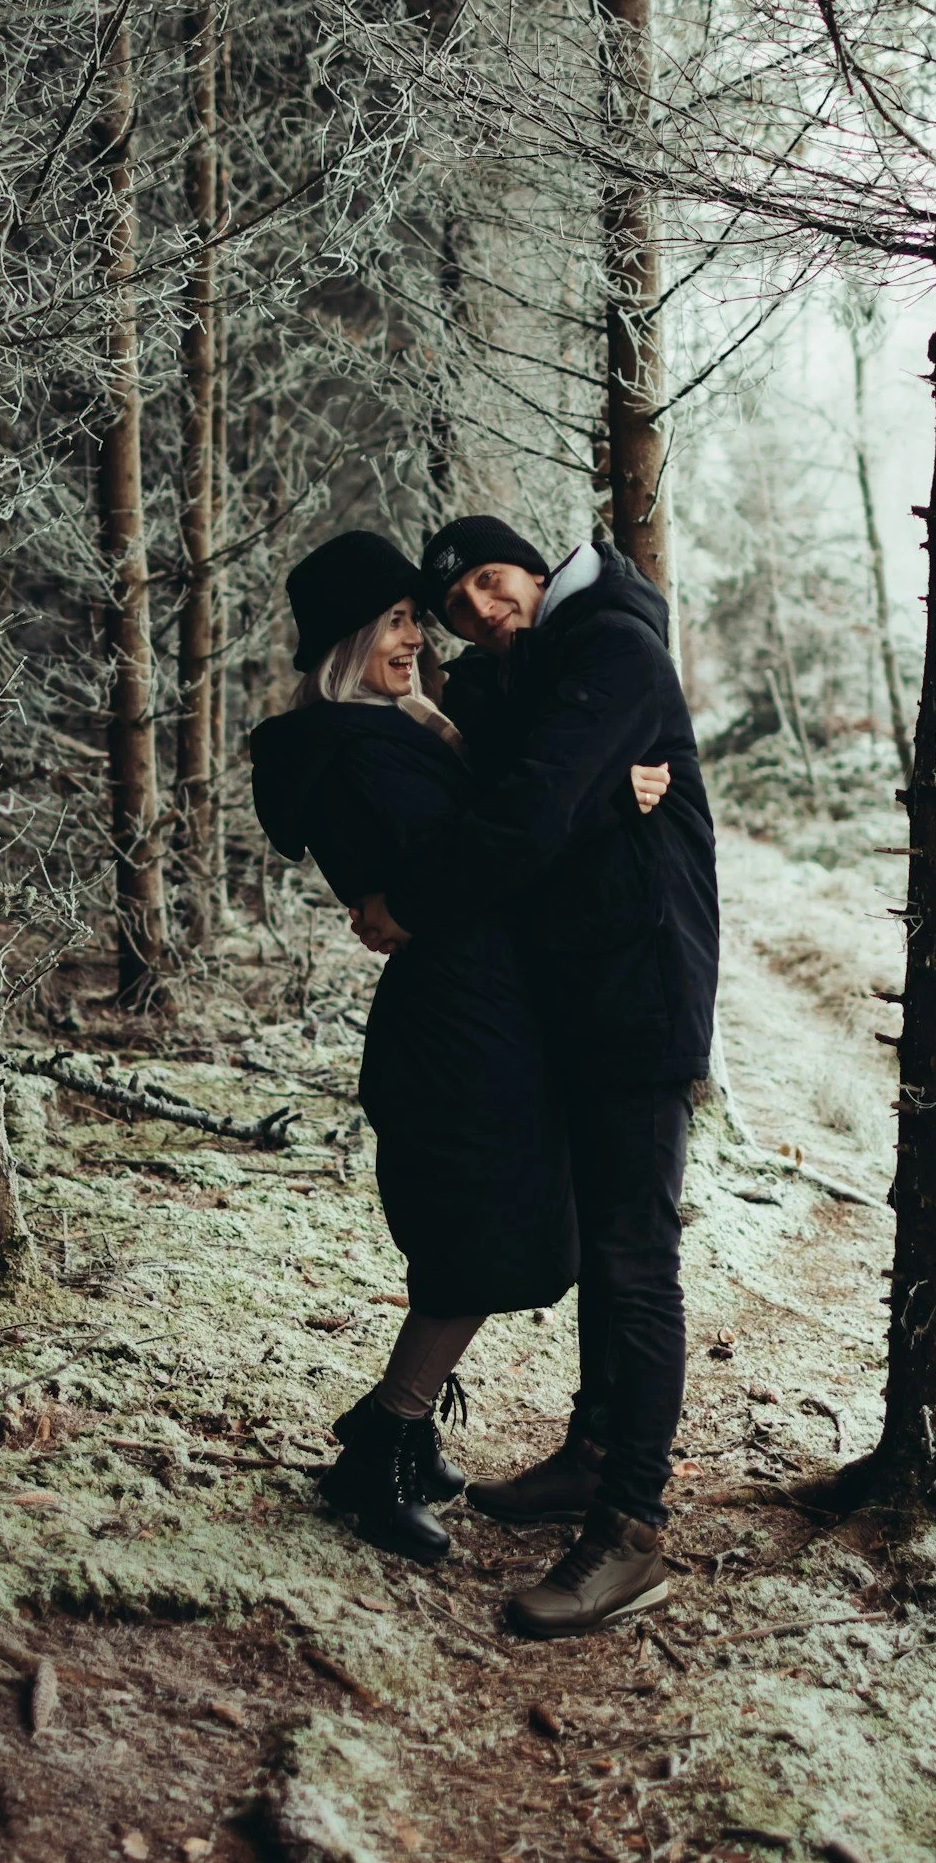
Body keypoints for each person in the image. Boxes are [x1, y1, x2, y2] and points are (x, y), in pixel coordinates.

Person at [249, 529, 669, 1566]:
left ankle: (394, 1422)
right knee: (479, 1237)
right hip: (457, 1014)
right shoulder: (349, 749)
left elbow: (490, 821)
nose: (413, 644)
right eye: (393, 624)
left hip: (484, 1003)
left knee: (491, 1227)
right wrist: (605, 801)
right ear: (347, 642)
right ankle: (381, 1443)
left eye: (411, 622)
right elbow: (470, 861)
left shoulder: (394, 729)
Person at [353, 515, 719, 1637]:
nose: (481, 613)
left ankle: (631, 1528)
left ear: (536, 566)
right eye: (456, 607)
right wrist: (608, 793)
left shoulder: (613, 648)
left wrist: (406, 907)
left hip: (641, 991)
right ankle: (591, 1451)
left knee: (635, 1258)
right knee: (606, 1245)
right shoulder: (532, 667)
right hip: (575, 991)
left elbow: (529, 807)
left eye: (492, 585)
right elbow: (507, 783)